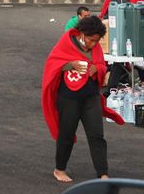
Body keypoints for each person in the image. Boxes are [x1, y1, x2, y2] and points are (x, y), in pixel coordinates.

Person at [42, 16, 123, 183]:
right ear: (82, 33)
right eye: (91, 40)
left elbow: (102, 65)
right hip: (68, 98)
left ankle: (102, 173)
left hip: (91, 96)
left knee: (97, 135)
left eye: (97, 41)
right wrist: (70, 65)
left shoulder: (96, 47)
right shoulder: (66, 42)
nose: (93, 44)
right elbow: (53, 64)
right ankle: (60, 169)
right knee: (66, 134)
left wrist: (97, 68)